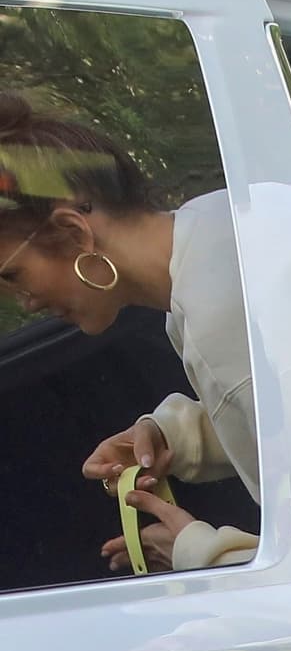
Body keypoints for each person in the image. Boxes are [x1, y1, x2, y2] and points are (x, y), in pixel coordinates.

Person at [0, 92, 258, 571]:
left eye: (12, 275)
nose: (25, 302)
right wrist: (177, 437)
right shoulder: (217, 224)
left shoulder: (219, 316)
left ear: (75, 233)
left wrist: (197, 550)